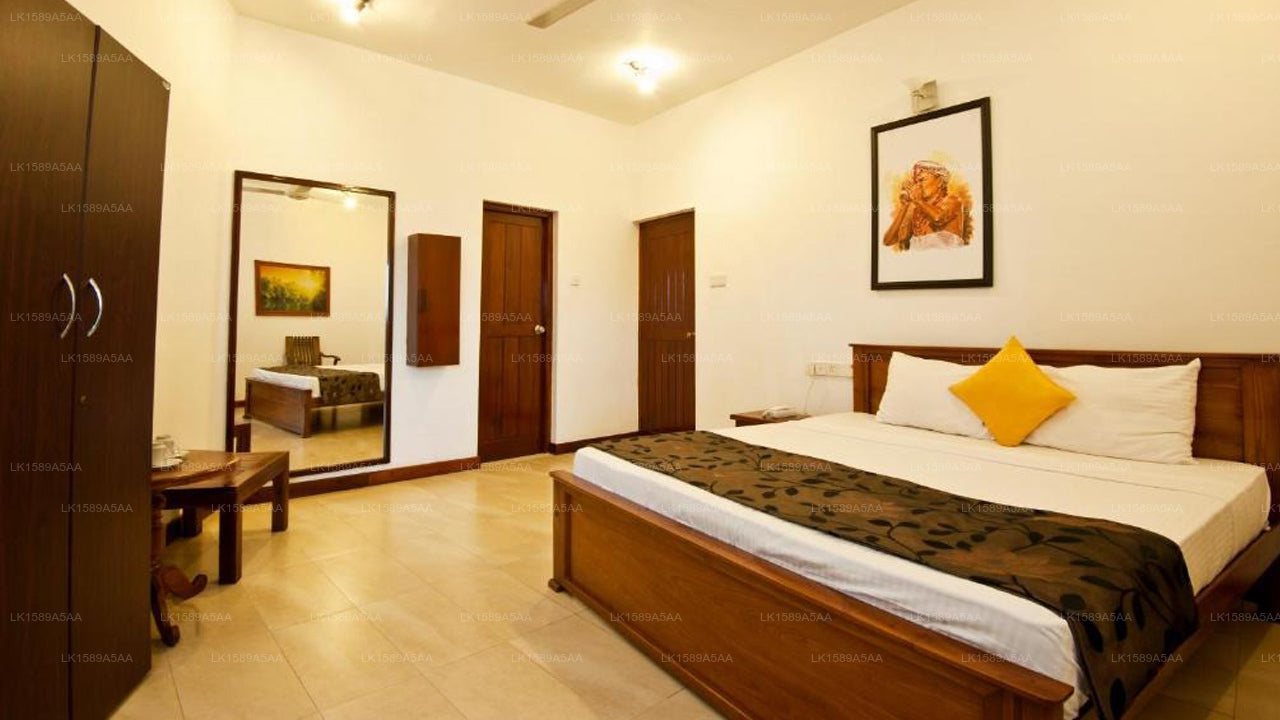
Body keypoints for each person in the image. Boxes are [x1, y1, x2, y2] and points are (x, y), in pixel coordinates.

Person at [882, 160, 971, 251]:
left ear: (940, 181)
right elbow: (889, 241)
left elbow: (938, 218)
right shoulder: (916, 208)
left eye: (922, 180)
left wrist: (918, 200)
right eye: (916, 182)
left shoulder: (953, 201)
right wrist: (904, 206)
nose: (918, 186)